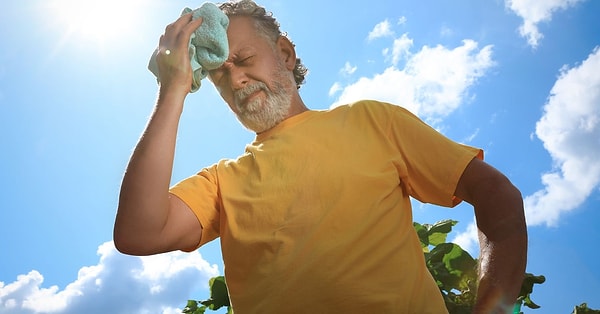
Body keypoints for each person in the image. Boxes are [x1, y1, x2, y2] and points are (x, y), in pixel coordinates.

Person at [113, 0, 528, 313]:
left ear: (286, 53)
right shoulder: (223, 181)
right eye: (220, 72)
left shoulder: (371, 120)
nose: (235, 77)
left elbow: (496, 195)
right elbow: (139, 233)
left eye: (243, 59)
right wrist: (172, 89)